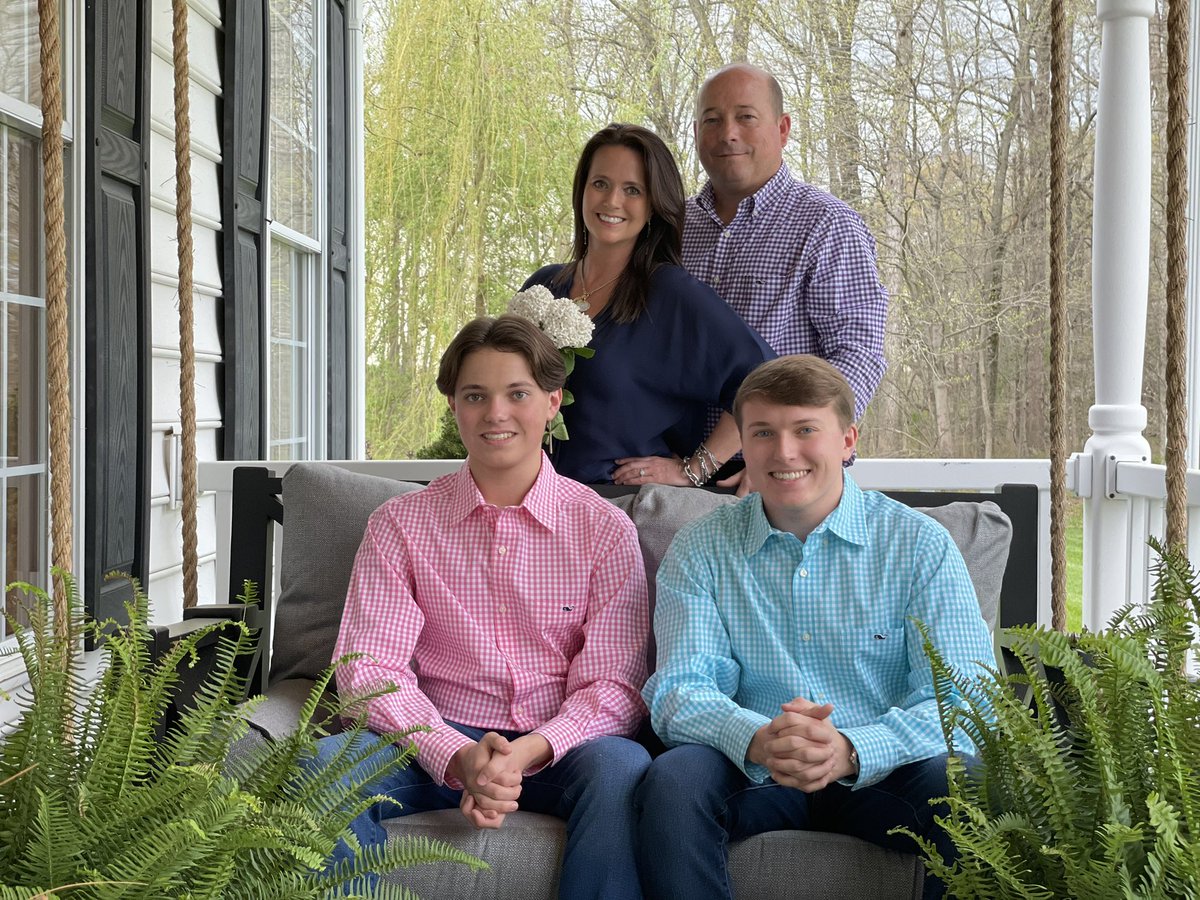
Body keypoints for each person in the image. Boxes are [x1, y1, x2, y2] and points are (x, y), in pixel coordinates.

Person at [314, 314, 651, 900]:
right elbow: (368, 670)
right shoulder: (402, 525)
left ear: (553, 402)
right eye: (476, 396)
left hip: (562, 747)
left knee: (621, 767)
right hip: (429, 739)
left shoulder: (603, 529)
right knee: (319, 767)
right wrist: (457, 753)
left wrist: (524, 752)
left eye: (517, 394)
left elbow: (614, 686)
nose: (496, 413)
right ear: (454, 407)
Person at [635, 355, 993, 900]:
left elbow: (966, 701)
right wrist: (755, 737)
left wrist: (851, 748)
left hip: (884, 770)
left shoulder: (918, 545)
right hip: (754, 768)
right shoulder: (701, 547)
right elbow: (679, 689)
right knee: (674, 780)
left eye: (806, 430)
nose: (784, 452)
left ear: (848, 440)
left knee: (966, 782)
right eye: (763, 433)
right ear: (745, 446)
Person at [521, 122, 774, 487]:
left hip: (625, 509)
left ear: (654, 204)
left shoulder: (672, 296)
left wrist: (695, 469)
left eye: (632, 190)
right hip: (534, 500)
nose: (612, 201)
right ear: (582, 191)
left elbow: (766, 383)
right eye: (600, 184)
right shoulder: (543, 286)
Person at [683, 63, 888, 422]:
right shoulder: (671, 226)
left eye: (746, 117)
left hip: (777, 468)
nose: (728, 133)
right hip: (669, 466)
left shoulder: (827, 225)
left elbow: (856, 356)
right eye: (712, 120)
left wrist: (789, 447)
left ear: (783, 129)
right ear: (697, 132)